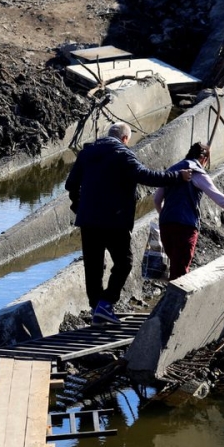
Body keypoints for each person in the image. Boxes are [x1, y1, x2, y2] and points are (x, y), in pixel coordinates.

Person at [65, 122, 191, 325]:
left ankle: (97, 308)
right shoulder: (122, 154)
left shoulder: (87, 154)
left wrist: (78, 205)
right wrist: (177, 176)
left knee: (93, 266)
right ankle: (106, 303)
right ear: (125, 139)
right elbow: (147, 176)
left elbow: (70, 185)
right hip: (114, 221)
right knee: (124, 263)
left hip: (88, 222)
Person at [154, 142, 224, 280]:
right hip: (185, 227)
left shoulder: (171, 171)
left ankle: (170, 297)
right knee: (180, 273)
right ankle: (174, 300)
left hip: (166, 225)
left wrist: (164, 216)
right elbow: (220, 198)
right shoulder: (196, 174)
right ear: (204, 159)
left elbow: (156, 200)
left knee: (175, 267)